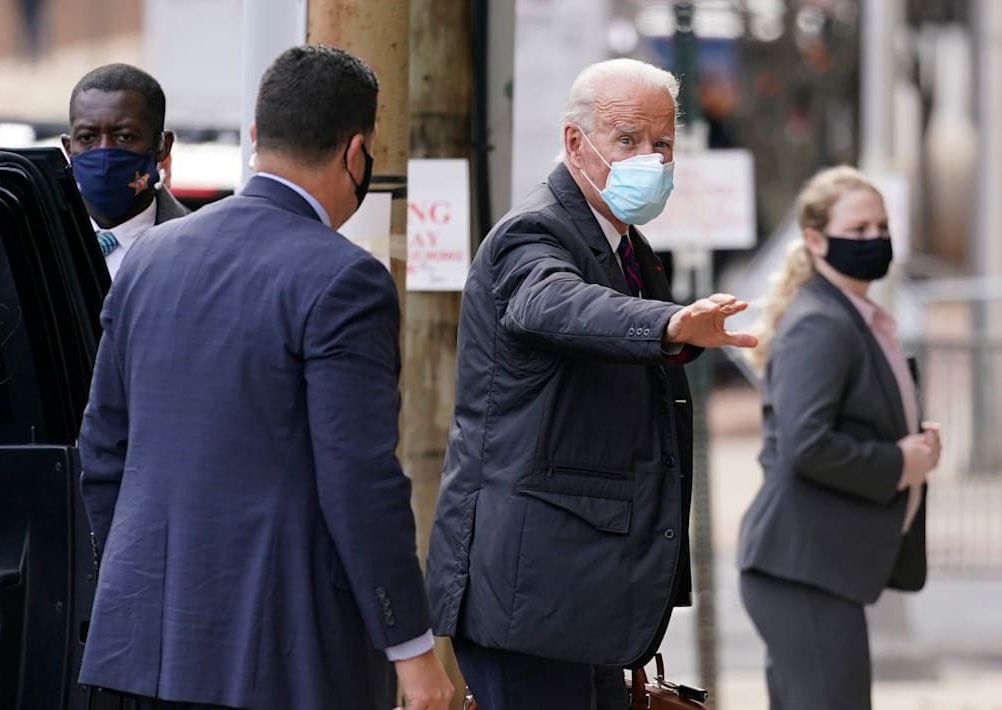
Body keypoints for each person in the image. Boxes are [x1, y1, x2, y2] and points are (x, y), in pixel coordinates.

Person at [77, 45, 454, 710]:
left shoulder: (151, 256)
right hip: (284, 656)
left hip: (142, 648)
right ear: (356, 153)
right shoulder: (346, 279)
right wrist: (413, 651)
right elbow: (359, 481)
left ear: (256, 136)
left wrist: (135, 581)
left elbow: (103, 450)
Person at [423, 58, 757, 709]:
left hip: (583, 596)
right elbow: (552, 304)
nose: (651, 159)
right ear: (575, 142)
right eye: (627, 139)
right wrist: (669, 324)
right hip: (530, 598)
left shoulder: (625, 244)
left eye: (663, 143)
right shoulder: (535, 230)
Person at [738, 166, 938, 709]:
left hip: (816, 569)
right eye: (859, 229)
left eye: (882, 227)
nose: (875, 238)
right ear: (815, 239)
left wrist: (915, 450)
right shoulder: (821, 322)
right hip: (801, 569)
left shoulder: (852, 315)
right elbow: (806, 444)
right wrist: (899, 463)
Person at [0, 62, 189, 283]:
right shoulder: (17, 236)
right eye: (87, 138)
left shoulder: (199, 248)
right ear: (68, 148)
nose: (104, 152)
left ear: (162, 146)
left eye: (124, 137)